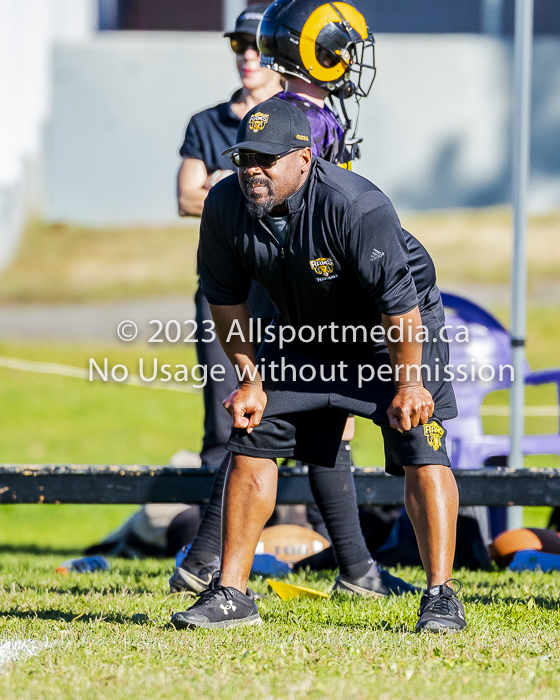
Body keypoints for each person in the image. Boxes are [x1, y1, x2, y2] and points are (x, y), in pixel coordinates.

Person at [170, 98, 467, 634]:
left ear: (305, 158)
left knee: (422, 443)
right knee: (253, 437)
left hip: (387, 333)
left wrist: (410, 384)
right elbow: (225, 300)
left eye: (267, 158)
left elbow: (400, 304)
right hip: (306, 329)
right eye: (243, 159)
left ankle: (440, 595)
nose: (252, 171)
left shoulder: (357, 206)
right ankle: (232, 594)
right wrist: (250, 380)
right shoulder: (224, 206)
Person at [170, 1, 417, 601]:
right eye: (337, 50)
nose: (347, 62)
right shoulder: (301, 120)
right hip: (292, 298)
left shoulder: (307, 112)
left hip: (298, 292)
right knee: (272, 428)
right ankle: (214, 564)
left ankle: (336, 569)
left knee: (309, 427)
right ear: (310, 50)